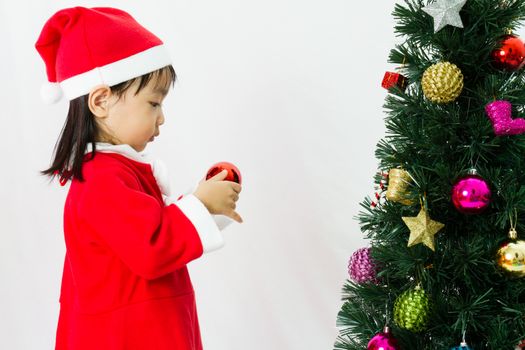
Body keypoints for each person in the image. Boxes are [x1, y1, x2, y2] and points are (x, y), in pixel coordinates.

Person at [35, 7, 242, 350]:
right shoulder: (100, 178)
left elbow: (148, 225)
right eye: (153, 104)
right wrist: (200, 205)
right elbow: (151, 246)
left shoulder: (119, 169)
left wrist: (204, 206)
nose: (161, 118)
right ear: (101, 101)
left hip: (145, 328)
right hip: (126, 335)